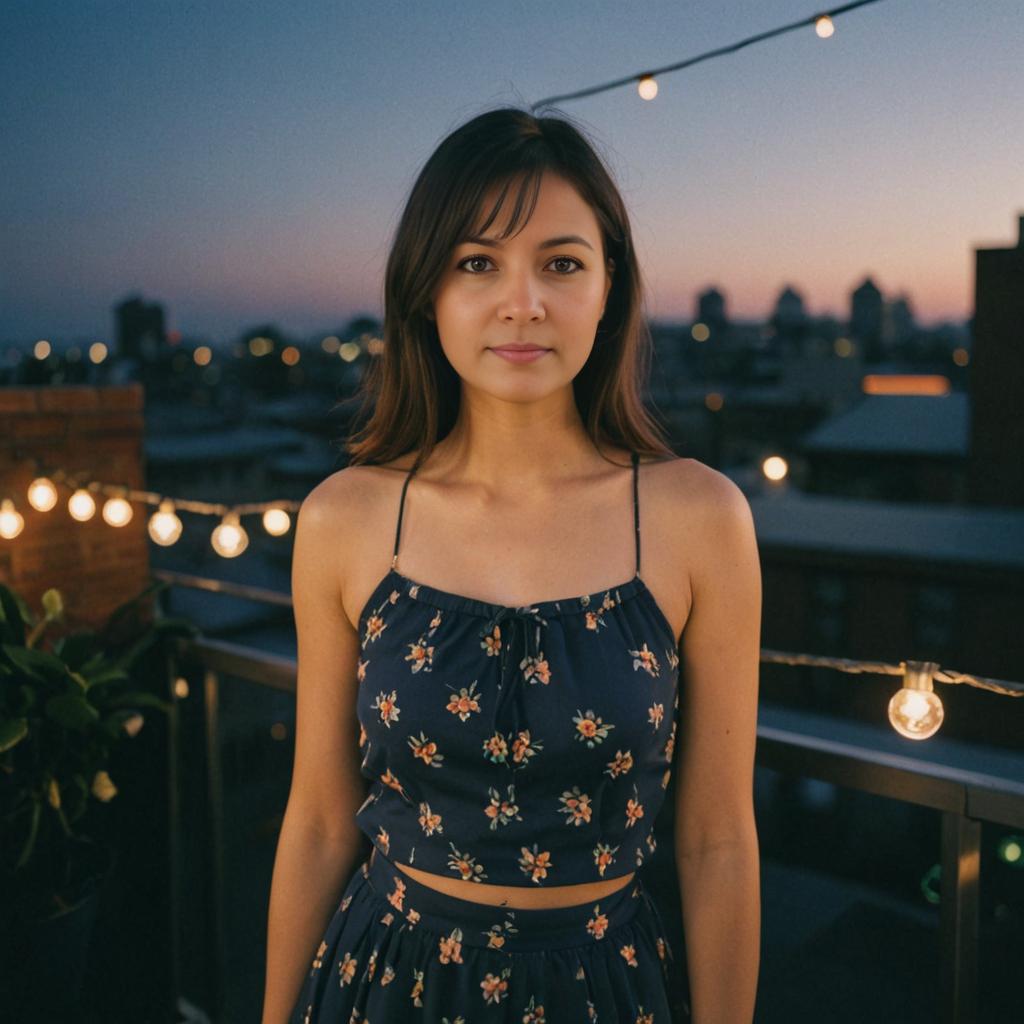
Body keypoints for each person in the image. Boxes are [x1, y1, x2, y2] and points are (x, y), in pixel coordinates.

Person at [262, 106, 761, 1024]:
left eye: (562, 264)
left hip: (604, 993)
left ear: (610, 287)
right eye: (477, 263)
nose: (521, 302)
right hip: (385, 983)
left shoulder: (699, 518)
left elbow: (717, 841)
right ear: (427, 292)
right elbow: (322, 819)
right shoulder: (346, 517)